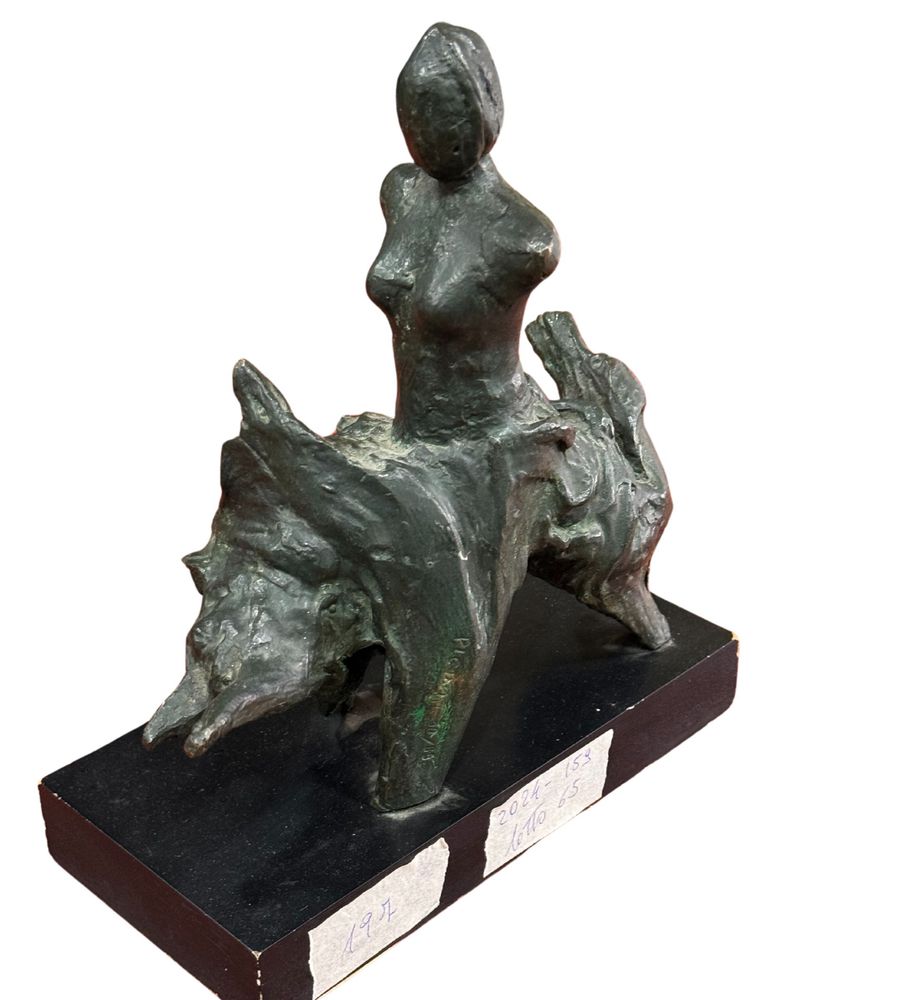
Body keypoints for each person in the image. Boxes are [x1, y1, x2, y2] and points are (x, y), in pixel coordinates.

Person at [367, 22, 561, 443]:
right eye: (412, 110)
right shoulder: (402, 190)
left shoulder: (524, 236)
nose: (422, 132)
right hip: (412, 435)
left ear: (483, 114)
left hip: (489, 439)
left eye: (441, 113)